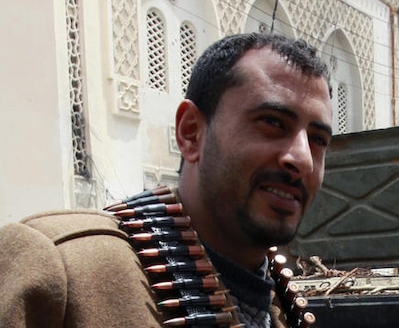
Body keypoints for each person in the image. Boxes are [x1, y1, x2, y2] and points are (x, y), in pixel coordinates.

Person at [0, 33, 333, 327]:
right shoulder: (62, 267)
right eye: (272, 122)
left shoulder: (279, 305)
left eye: (318, 139)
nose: (302, 158)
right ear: (191, 133)